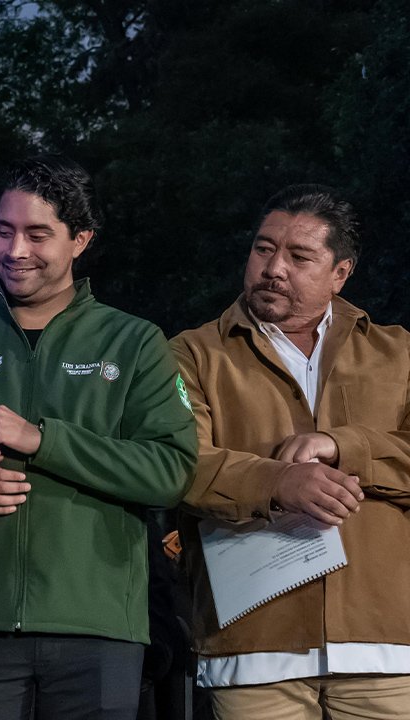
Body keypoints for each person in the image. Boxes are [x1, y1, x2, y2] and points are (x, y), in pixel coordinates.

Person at [0, 154, 197, 719]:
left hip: (97, 625)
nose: (15, 250)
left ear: (81, 240)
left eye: (37, 234)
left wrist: (43, 439)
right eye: (4, 231)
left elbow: (170, 472)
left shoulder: (135, 342)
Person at [171, 185, 410, 719]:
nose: (274, 267)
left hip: (387, 645)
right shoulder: (191, 352)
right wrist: (276, 482)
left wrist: (344, 445)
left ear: (340, 273)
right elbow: (177, 463)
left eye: (299, 256)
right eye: (263, 249)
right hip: (253, 647)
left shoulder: (400, 352)